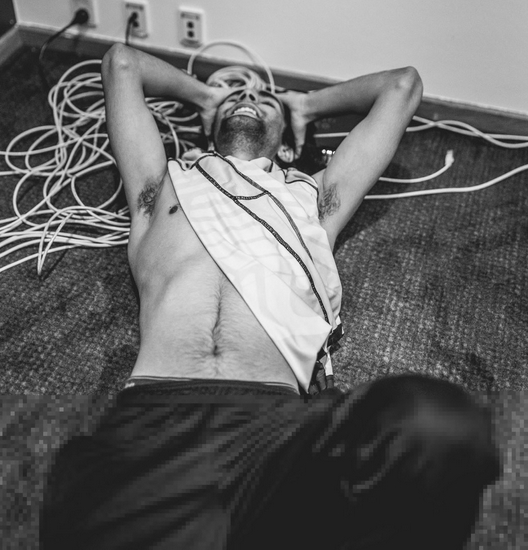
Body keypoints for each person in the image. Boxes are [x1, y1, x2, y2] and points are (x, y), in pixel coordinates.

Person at [39, 44, 501, 550]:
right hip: (155, 413)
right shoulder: (162, 185)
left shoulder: (313, 197)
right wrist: (207, 95)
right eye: (237, 97)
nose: (248, 98)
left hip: (272, 422)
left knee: (438, 428)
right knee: (83, 520)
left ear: (286, 148)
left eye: (264, 102)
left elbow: (402, 84)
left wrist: (305, 105)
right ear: (206, 132)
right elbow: (121, 63)